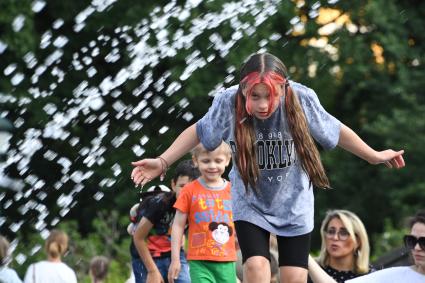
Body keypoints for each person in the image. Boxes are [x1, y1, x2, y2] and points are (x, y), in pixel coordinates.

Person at [131, 52, 405, 283]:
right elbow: (200, 131)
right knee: (256, 268)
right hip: (251, 200)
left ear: (284, 88)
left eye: (269, 96)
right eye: (255, 96)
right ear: (243, 90)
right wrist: (163, 160)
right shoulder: (229, 101)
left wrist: (372, 155)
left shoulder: (300, 98)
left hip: (294, 201)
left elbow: (336, 129)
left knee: (294, 276)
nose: (262, 105)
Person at [167, 142, 237, 283]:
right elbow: (178, 225)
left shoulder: (233, 190)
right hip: (199, 261)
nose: (212, 166)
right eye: (206, 161)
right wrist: (175, 259)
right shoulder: (189, 190)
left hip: (227, 260)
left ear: (228, 160)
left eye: (218, 161)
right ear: (195, 161)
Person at [130, 159, 200, 283]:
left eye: (192, 188)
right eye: (182, 186)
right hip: (145, 257)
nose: (186, 192)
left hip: (172, 254)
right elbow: (138, 238)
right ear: (173, 185)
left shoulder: (198, 208)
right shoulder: (160, 204)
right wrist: (152, 271)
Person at [308, 210, 425, 283]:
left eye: (344, 233)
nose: (417, 248)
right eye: (411, 240)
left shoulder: (369, 273)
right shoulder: (391, 277)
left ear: (358, 240)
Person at [308, 210, 372, 283]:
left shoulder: (370, 276)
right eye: (331, 232)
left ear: (358, 241)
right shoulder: (309, 269)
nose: (335, 237)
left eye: (343, 233)